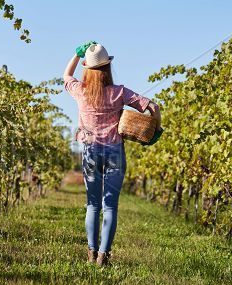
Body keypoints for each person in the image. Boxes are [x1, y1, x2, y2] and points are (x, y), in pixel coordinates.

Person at [63, 42, 162, 266]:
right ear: (107, 68)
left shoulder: (80, 91)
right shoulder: (119, 92)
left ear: (87, 68)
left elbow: (66, 75)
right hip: (115, 152)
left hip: (90, 151)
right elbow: (153, 107)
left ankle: (90, 252)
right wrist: (156, 131)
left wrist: (76, 55)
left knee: (93, 205)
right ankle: (103, 256)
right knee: (110, 206)